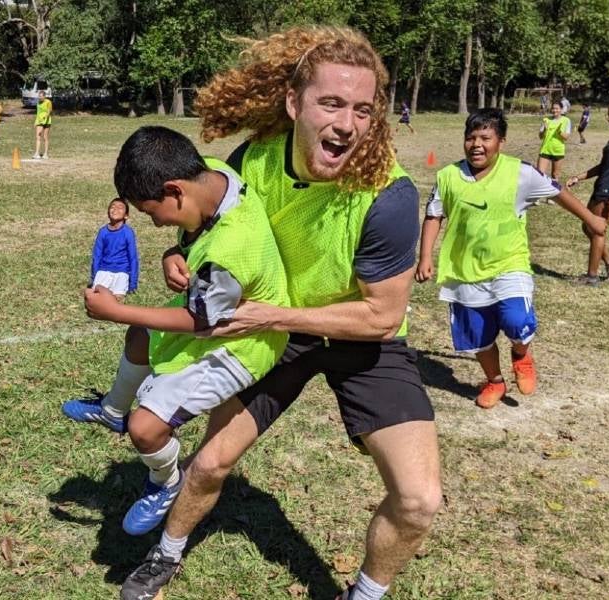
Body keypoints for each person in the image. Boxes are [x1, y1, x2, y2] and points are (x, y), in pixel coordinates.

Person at [106, 26, 442, 600]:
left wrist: (273, 316)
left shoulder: (389, 196)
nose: (347, 123)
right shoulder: (253, 161)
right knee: (210, 463)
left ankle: (364, 594)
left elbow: (381, 318)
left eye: (363, 109)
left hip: (358, 340)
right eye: (331, 103)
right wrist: (176, 254)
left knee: (418, 500)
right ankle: (165, 555)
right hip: (275, 334)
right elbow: (206, 225)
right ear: (294, 103)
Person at [65, 125, 289, 539]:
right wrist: (175, 251)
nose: (153, 224)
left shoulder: (231, 248)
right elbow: (193, 241)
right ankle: (113, 411)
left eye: (151, 213)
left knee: (146, 429)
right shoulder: (215, 175)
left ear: (174, 190)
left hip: (243, 342)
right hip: (217, 313)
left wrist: (118, 310)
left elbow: (200, 321)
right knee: (140, 334)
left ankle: (166, 483)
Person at [415, 108, 607, 408]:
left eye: (485, 138)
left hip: (509, 265)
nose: (476, 144)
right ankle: (495, 381)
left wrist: (591, 219)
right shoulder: (448, 176)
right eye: (470, 138)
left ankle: (521, 354)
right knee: (478, 338)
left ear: (501, 141)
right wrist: (425, 255)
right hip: (464, 270)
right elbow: (433, 214)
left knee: (517, 320)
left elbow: (557, 192)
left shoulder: (520, 172)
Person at [566, 99, 609, 285]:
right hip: (602, 186)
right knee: (588, 226)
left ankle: (591, 276)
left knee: (596, 229)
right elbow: (604, 166)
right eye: (608, 114)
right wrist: (580, 177)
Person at [89, 198, 140, 301]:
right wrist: (95, 276)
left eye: (120, 208)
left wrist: (133, 283)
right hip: (104, 271)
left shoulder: (128, 232)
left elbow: (133, 258)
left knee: (117, 298)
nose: (115, 209)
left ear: (126, 215)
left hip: (122, 272)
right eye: (112, 207)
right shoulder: (103, 232)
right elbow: (97, 256)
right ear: (108, 212)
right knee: (96, 297)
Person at [537, 101, 571, 180]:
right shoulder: (546, 120)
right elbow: (540, 136)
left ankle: (554, 192)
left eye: (557, 108)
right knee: (539, 175)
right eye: (553, 108)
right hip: (545, 150)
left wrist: (559, 132)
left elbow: (566, 137)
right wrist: (544, 130)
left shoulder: (566, 120)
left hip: (558, 151)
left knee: (555, 175)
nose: (555, 110)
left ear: (561, 109)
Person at [33, 90, 52, 159]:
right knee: (38, 136)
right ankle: (37, 153)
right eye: (39, 96)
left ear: (44, 96)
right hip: (39, 121)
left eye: (41, 96)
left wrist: (45, 117)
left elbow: (49, 111)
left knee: (45, 137)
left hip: (47, 121)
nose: (40, 98)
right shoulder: (38, 103)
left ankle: (46, 154)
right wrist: (36, 121)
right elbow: (38, 113)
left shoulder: (48, 102)